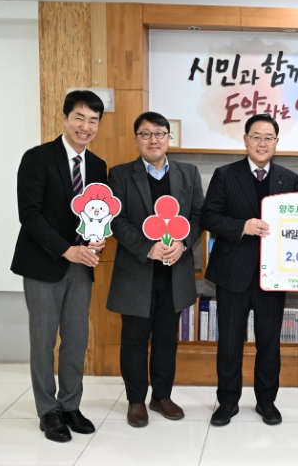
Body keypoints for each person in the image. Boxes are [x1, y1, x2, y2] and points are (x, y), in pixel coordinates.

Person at [11, 90, 108, 442]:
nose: (86, 126)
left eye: (93, 120)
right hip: (43, 264)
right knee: (43, 340)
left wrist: (97, 238)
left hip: (82, 265)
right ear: (65, 118)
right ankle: (48, 411)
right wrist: (67, 250)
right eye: (79, 117)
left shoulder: (97, 166)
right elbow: (30, 215)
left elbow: (97, 214)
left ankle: (70, 405)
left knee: (76, 339)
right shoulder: (37, 158)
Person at [201, 113, 298, 426]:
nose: (262, 143)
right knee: (230, 342)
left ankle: (266, 401)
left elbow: (296, 225)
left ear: (276, 142)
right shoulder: (225, 174)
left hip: (273, 274)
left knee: (269, 343)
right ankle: (227, 402)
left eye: (268, 137)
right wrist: (241, 226)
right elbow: (209, 217)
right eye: (256, 136)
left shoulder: (289, 178)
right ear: (245, 139)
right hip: (233, 271)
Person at [107, 112, 204, 428]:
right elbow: (116, 219)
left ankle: (161, 396)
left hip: (174, 271)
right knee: (134, 339)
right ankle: (136, 400)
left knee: (166, 339)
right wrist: (146, 247)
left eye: (160, 133)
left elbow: (198, 215)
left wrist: (184, 243)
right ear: (136, 138)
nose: (153, 140)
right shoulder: (120, 174)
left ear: (168, 138)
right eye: (146, 134)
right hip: (137, 270)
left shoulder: (188, 173)